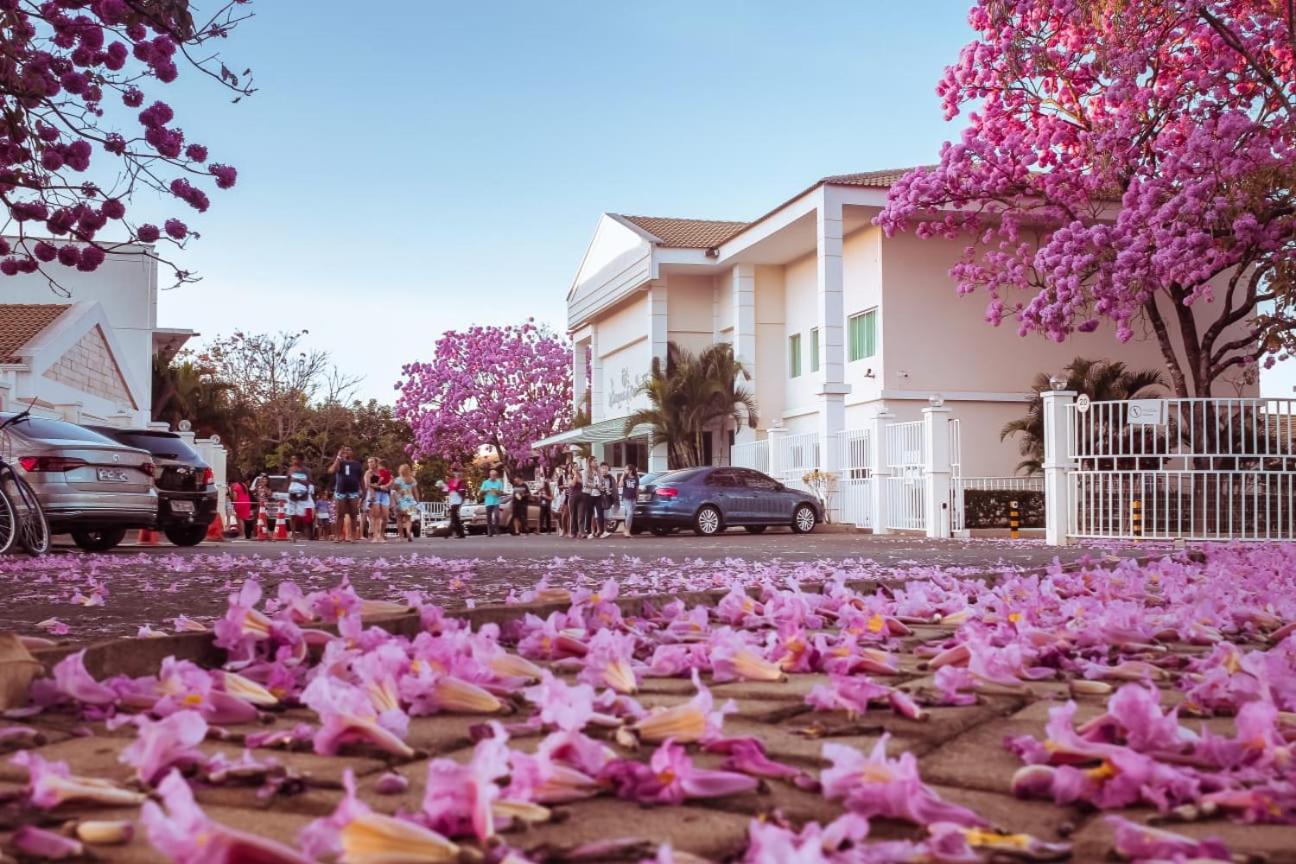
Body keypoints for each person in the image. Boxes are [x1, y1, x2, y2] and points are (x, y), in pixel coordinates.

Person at [329, 446, 364, 543]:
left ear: (352, 452)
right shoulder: (340, 463)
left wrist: (364, 492)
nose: (346, 452)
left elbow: (361, 478)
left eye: (349, 450)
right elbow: (332, 470)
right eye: (344, 450)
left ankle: (353, 536)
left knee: (353, 514)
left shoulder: (357, 464)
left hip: (353, 492)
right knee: (340, 514)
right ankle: (338, 536)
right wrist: (338, 457)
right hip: (341, 492)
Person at [285, 455, 311, 543]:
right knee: (292, 515)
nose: (293, 460)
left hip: (302, 496)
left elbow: (308, 483)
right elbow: (288, 481)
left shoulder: (306, 470)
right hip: (292, 495)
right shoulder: (290, 469)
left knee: (302, 515)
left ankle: (305, 534)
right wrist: (288, 490)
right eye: (292, 459)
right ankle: (294, 536)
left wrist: (297, 480)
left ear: (301, 460)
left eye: (295, 459)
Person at [364, 457, 390, 543]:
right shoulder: (368, 473)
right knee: (376, 515)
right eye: (368, 462)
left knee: (385, 516)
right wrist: (373, 492)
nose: (370, 464)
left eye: (372, 462)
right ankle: (376, 536)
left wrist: (386, 486)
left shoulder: (383, 471)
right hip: (375, 494)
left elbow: (390, 480)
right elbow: (367, 485)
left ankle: (382, 534)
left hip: (385, 494)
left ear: (376, 463)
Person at [392, 464, 420, 542]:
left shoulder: (398, 480)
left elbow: (394, 491)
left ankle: (401, 537)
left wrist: (394, 501)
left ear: (400, 470)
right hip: (410, 501)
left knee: (399, 519)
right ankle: (408, 532)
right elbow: (415, 492)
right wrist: (417, 501)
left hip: (400, 501)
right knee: (408, 519)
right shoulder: (412, 480)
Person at [439, 469, 467, 539]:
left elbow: (462, 492)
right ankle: (461, 534)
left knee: (453, 517)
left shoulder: (460, 482)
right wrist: (442, 486)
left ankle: (447, 533)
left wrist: (461, 500)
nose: (455, 474)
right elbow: (447, 489)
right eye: (455, 473)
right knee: (455, 518)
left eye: (457, 473)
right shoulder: (451, 481)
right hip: (452, 500)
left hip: (457, 500)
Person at [480, 468, 504, 537]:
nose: (494, 477)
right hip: (488, 502)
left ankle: (497, 529)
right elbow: (481, 492)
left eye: (495, 475)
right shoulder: (485, 482)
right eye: (492, 475)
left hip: (496, 501)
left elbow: (501, 492)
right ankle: (490, 532)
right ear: (490, 475)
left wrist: (497, 492)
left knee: (497, 515)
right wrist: (486, 490)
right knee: (489, 517)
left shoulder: (499, 482)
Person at [596, 462, 615, 539]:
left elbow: (613, 488)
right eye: (603, 468)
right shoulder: (597, 477)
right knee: (598, 516)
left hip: (607, 498)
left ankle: (604, 531)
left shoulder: (610, 478)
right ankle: (598, 530)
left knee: (606, 516)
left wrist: (610, 492)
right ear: (600, 469)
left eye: (606, 468)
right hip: (598, 497)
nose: (604, 470)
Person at [620, 464, 640, 537]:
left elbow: (637, 489)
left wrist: (637, 498)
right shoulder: (624, 477)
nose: (625, 470)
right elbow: (620, 485)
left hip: (633, 498)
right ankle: (627, 531)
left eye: (626, 469)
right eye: (625, 469)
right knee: (630, 513)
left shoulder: (636, 478)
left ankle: (626, 530)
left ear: (630, 470)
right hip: (626, 498)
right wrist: (622, 476)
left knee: (628, 514)